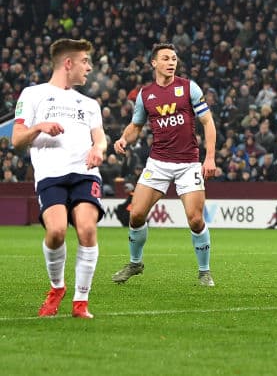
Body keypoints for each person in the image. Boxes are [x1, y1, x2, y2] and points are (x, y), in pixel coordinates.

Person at [111, 43, 218, 287]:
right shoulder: (145, 94)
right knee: (136, 214)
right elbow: (136, 126)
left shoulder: (189, 88)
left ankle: (204, 271)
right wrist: (122, 138)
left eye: (174, 59)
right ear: (154, 63)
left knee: (195, 219)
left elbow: (208, 122)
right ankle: (135, 263)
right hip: (157, 162)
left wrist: (209, 157)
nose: (171, 63)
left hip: (188, 163)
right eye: (166, 58)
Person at [13, 39, 106, 318]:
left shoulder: (89, 103)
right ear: (68, 63)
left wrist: (97, 150)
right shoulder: (32, 95)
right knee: (56, 232)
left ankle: (81, 302)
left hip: (84, 172)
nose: (89, 68)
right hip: (51, 175)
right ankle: (57, 288)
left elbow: (100, 139)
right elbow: (17, 140)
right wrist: (39, 127)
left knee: (87, 230)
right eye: (85, 61)